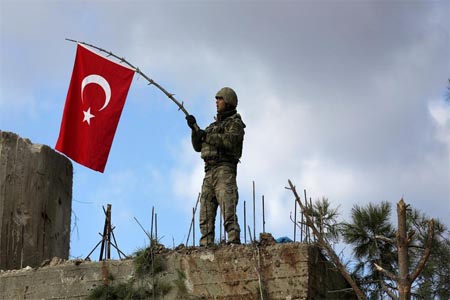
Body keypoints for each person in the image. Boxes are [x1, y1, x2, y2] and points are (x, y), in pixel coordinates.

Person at [186, 87, 245, 246]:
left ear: (228, 102)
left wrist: (205, 135)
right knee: (205, 213)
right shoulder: (213, 126)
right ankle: (206, 245)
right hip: (209, 171)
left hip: (224, 170)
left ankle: (233, 242)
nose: (217, 102)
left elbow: (229, 141)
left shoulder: (235, 124)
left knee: (228, 210)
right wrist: (194, 129)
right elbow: (198, 146)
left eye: (220, 99)